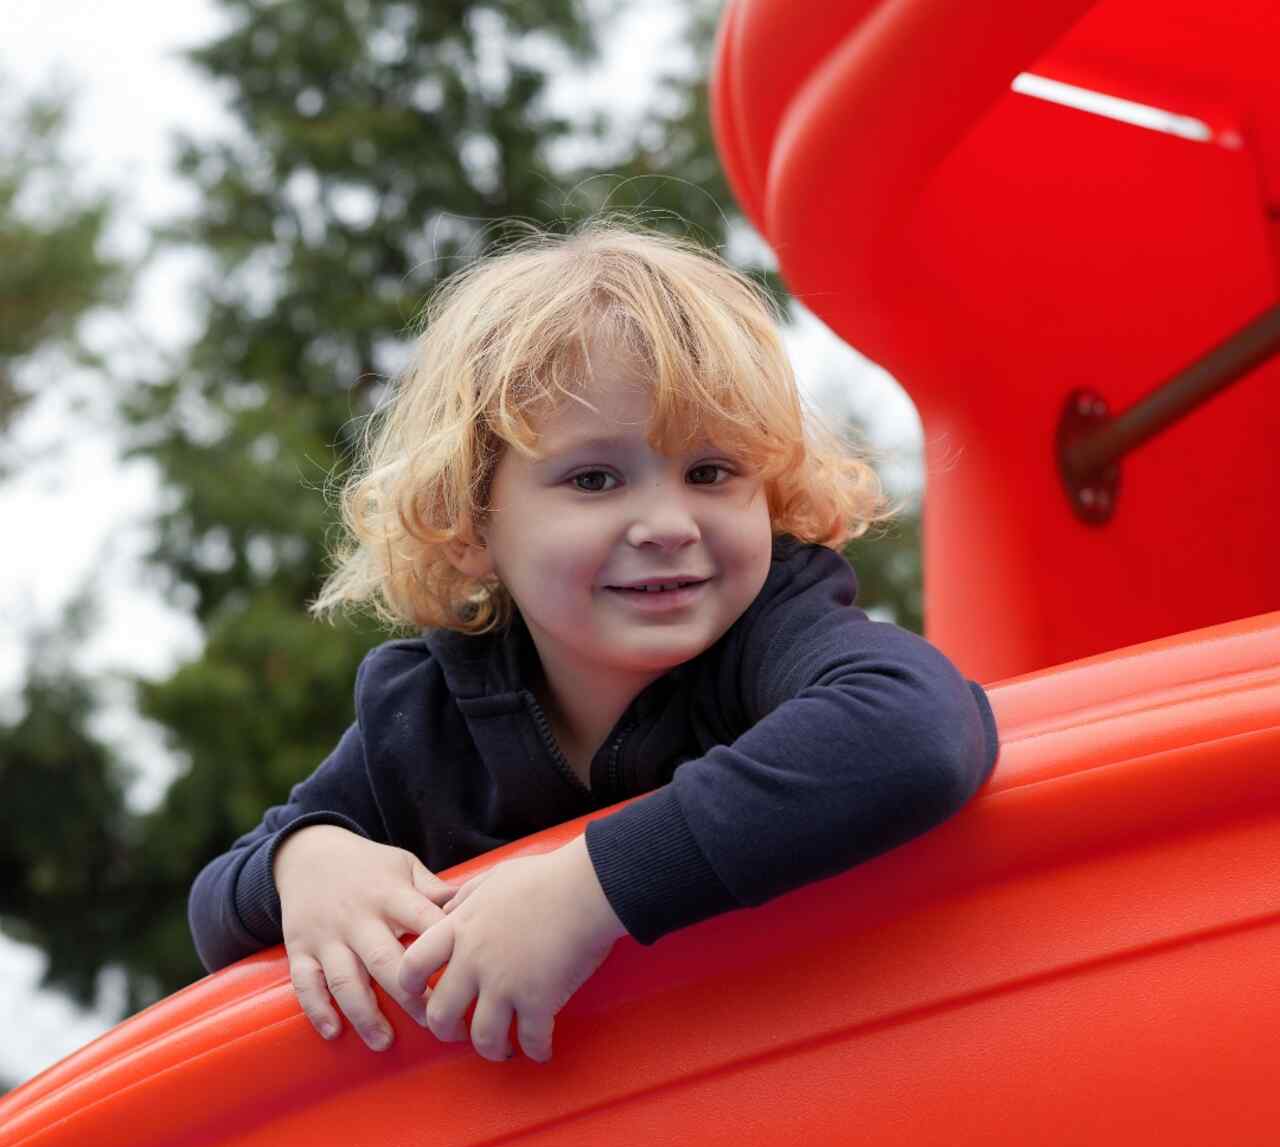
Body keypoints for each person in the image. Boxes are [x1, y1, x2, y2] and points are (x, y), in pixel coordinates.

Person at [187, 218, 999, 1066]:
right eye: (595, 479)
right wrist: (307, 862)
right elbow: (218, 903)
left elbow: (917, 730)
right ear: (471, 526)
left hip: (819, 1083)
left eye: (712, 472)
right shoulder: (426, 713)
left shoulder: (772, 636)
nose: (666, 523)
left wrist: (589, 888)